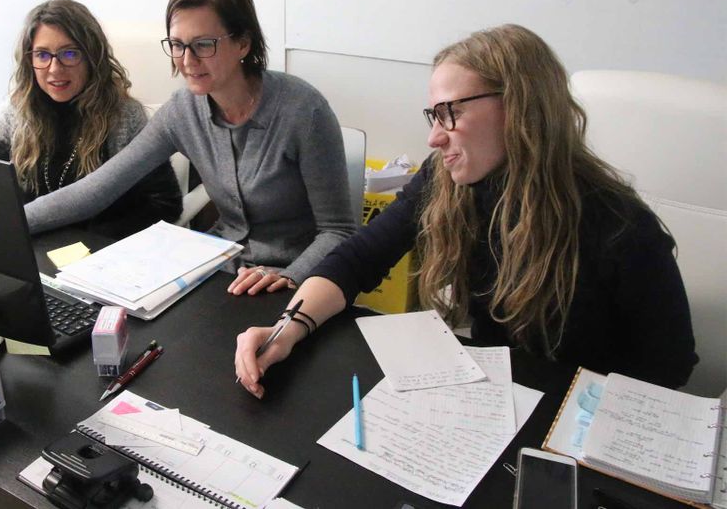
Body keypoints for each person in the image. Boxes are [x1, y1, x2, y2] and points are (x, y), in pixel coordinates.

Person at [235, 24, 697, 397]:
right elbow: (359, 258)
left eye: (450, 112)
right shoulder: (446, 180)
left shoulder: (620, 227)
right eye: (433, 115)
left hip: (575, 418)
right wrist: (285, 331)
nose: (435, 137)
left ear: (521, 107)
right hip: (496, 398)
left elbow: (669, 367)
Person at [23, 0, 356, 291]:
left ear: (243, 43)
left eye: (203, 45)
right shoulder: (182, 111)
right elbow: (96, 189)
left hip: (295, 275)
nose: (187, 60)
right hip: (221, 266)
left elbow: (338, 231)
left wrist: (291, 277)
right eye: (177, 45)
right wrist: (12, 222)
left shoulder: (304, 110)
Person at [0, 0, 182, 239]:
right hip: (30, 243)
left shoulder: (124, 117)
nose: (55, 69)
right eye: (42, 55)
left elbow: (166, 203)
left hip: (100, 251)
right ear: (29, 60)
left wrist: (97, 240)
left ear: (92, 57)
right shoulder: (16, 110)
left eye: (69, 53)